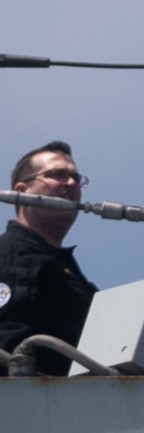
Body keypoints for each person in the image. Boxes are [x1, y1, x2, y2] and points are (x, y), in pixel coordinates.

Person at [0, 142, 97, 376]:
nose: (72, 183)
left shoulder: (68, 272)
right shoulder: (10, 256)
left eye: (76, 178)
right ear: (21, 192)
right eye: (57, 175)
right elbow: (6, 341)